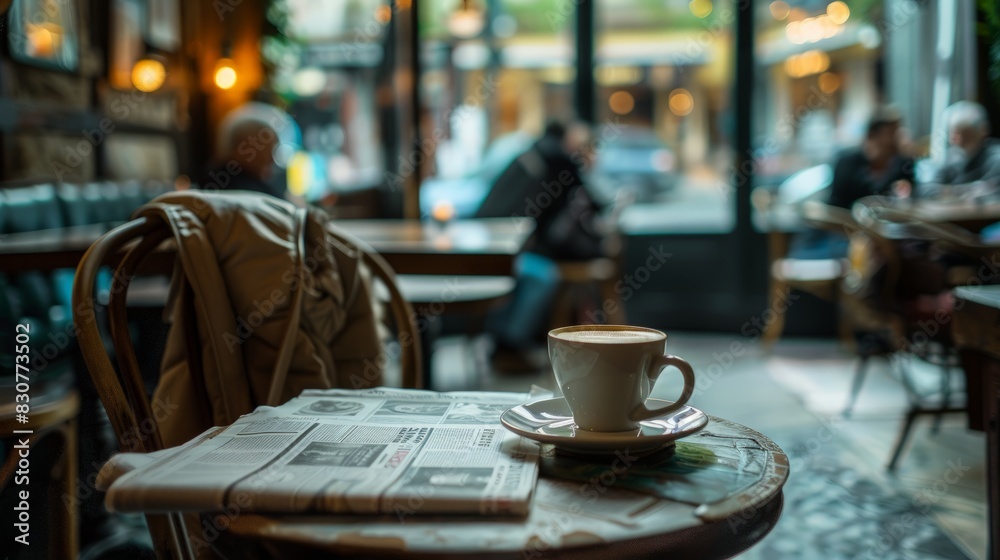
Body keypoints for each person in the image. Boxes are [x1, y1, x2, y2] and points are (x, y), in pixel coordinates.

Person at [475, 121, 609, 365]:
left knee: (542, 273)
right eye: (584, 147)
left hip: (506, 248)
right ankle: (508, 346)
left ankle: (510, 344)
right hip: (500, 250)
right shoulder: (555, 163)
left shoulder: (538, 157)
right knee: (543, 275)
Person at [826, 106, 915, 208]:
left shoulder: (902, 163)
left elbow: (910, 195)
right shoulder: (848, 162)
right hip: (847, 220)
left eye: (897, 132)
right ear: (872, 136)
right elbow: (838, 203)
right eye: (890, 133)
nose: (896, 138)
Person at [200, 106, 284, 199]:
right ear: (246, 148)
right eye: (268, 151)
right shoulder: (254, 192)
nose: (271, 160)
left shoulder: (207, 180)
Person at [930, 101, 1000, 188]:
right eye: (954, 133)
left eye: (966, 133)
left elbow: (993, 190)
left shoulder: (995, 158)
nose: (958, 141)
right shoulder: (951, 157)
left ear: (983, 130)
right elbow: (928, 188)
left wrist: (948, 192)